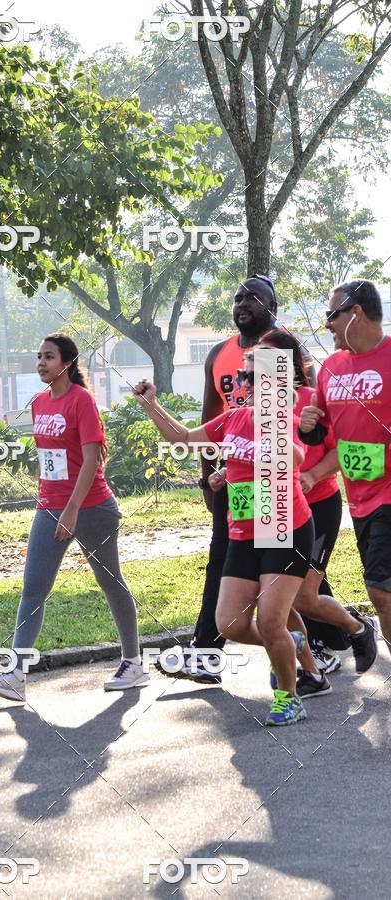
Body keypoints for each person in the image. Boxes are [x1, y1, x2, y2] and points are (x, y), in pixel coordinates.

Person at [134, 349, 315, 727]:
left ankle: (289, 697)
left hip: (283, 524)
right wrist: (151, 406)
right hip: (243, 531)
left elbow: (297, 455)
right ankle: (287, 642)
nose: (243, 384)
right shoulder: (233, 418)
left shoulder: (287, 414)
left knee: (269, 619)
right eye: (242, 375)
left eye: (252, 377)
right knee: (228, 624)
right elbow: (184, 439)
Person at [0, 333, 147, 701]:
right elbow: (49, 462)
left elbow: (91, 461)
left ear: (66, 362)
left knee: (110, 582)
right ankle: (16, 675)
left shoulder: (81, 401)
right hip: (49, 507)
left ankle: (133, 663)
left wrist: (71, 509)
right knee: (34, 588)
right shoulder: (39, 403)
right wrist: (54, 505)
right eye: (38, 357)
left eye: (48, 357)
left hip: (92, 508)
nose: (41, 363)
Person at [171, 275, 315, 684]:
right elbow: (208, 422)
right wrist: (210, 476)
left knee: (287, 594)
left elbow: (305, 433)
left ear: (273, 305)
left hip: (285, 500)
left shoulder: (285, 351)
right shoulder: (219, 354)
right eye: (237, 297)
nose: (243, 303)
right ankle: (211, 651)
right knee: (228, 569)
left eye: (254, 297)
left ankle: (312, 647)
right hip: (238, 488)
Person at [256, 330, 377, 696]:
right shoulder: (260, 405)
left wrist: (310, 474)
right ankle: (311, 672)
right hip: (272, 507)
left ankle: (357, 629)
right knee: (273, 599)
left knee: (303, 597)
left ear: (288, 363)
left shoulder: (311, 400)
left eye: (267, 357)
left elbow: (343, 449)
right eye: (255, 359)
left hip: (317, 506)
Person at [299, 280, 390, 658]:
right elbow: (324, 430)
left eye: (332, 315)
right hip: (359, 498)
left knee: (379, 589)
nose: (328, 325)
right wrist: (309, 423)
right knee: (383, 594)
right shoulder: (332, 368)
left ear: (357, 313)